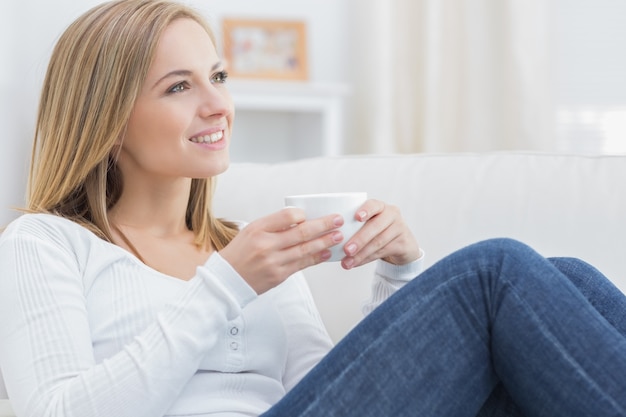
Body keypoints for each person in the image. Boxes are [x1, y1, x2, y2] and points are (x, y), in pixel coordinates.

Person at [0, 1, 624, 416]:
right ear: (107, 123)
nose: (218, 105)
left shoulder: (244, 245)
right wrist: (226, 286)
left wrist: (398, 277)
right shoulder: (45, 243)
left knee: (565, 278)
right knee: (497, 272)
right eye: (179, 86)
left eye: (217, 76)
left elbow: (324, 391)